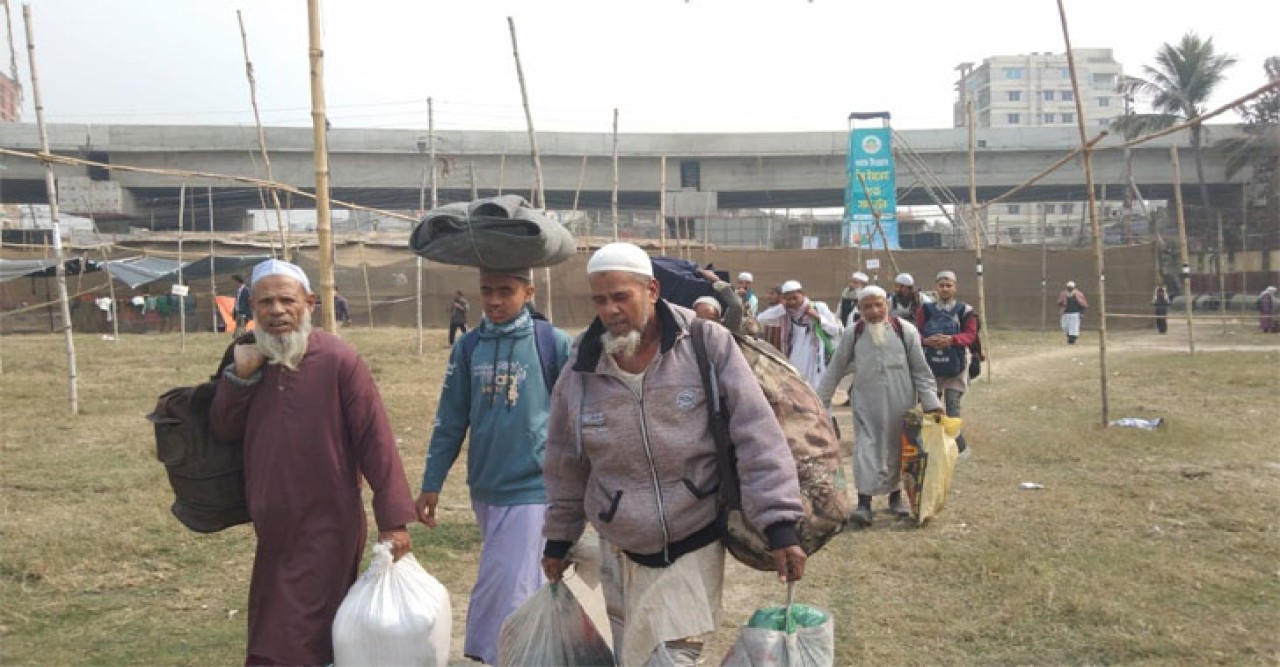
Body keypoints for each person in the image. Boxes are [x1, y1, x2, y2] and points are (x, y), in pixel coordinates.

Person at [541, 242, 807, 667]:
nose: (609, 310)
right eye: (600, 299)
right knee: (633, 657)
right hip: (619, 544)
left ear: (652, 290)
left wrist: (779, 526)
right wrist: (559, 537)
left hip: (692, 536)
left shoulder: (705, 342)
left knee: (671, 658)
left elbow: (756, 433)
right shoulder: (581, 367)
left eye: (620, 297)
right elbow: (564, 461)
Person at [210, 259, 417, 666]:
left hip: (329, 519)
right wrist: (240, 379)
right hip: (272, 521)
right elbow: (222, 429)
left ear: (310, 303)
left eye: (287, 300)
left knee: (312, 624)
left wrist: (393, 521)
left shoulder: (338, 359)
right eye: (266, 301)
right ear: (252, 306)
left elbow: (375, 440)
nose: (277, 310)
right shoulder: (246, 355)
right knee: (272, 615)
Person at [417, 267, 572, 666]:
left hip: (535, 487)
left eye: (506, 291)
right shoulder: (469, 348)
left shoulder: (551, 343)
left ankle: (508, 656)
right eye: (487, 291)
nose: (495, 301)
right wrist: (432, 482)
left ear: (528, 291)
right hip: (485, 488)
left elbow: (577, 413)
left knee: (510, 586)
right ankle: (535, 654)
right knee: (521, 581)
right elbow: (450, 419)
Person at [817, 286, 944, 526]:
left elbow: (921, 371)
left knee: (899, 449)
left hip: (902, 401)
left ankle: (896, 500)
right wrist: (821, 402)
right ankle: (864, 504)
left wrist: (931, 403)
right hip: (866, 403)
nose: (874, 311)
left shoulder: (906, 331)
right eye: (867, 306)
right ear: (859, 308)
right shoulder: (852, 333)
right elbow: (833, 371)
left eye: (879, 305)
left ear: (887, 304)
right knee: (866, 449)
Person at [917, 270, 978, 457]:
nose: (945, 289)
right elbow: (916, 332)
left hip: (956, 365)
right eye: (941, 285)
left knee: (952, 406)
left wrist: (952, 340)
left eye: (948, 285)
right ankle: (932, 447)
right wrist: (926, 341)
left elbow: (971, 335)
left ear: (954, 287)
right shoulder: (925, 310)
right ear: (936, 287)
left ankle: (958, 448)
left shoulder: (965, 311)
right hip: (931, 366)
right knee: (931, 406)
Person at [755, 280, 842, 389]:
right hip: (796, 354)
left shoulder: (819, 307)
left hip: (816, 357)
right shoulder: (785, 313)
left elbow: (834, 330)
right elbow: (761, 318)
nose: (792, 302)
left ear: (803, 295)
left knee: (817, 389)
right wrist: (781, 308)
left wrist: (818, 317)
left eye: (794, 298)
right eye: (788, 299)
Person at [696, 268, 744, 333]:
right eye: (701, 318)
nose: (706, 323)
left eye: (710, 318)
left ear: (718, 318)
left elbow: (736, 306)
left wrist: (716, 281)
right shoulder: (689, 335)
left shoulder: (725, 334)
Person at [1057, 280, 1089, 344]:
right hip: (1065, 313)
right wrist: (1062, 305)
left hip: (1075, 314)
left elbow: (1083, 304)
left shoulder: (1078, 294)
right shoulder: (1063, 294)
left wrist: (1082, 313)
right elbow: (1059, 302)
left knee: (1073, 327)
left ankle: (1072, 340)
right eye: (1069, 287)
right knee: (1064, 327)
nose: (1070, 288)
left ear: (1074, 287)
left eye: (1071, 287)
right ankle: (1070, 337)